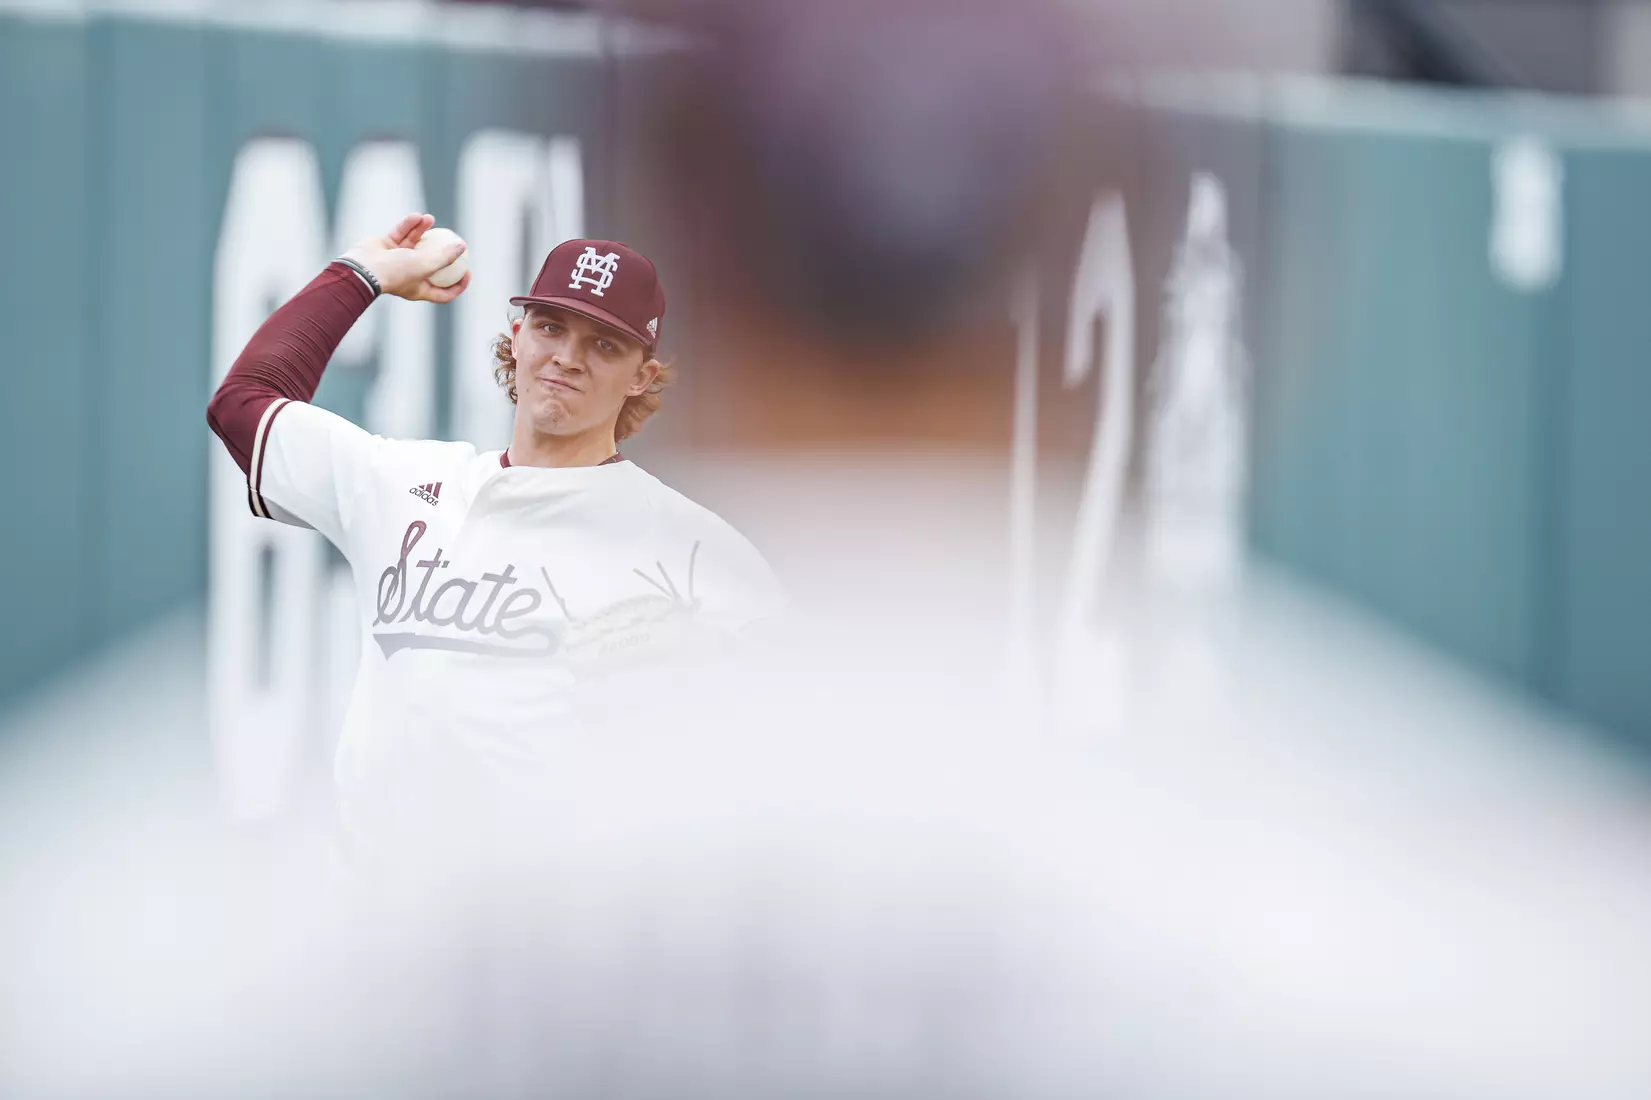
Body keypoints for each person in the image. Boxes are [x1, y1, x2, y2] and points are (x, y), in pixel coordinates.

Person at [207, 213, 783, 865]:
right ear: (516, 336)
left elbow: (792, 759)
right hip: (376, 927)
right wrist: (362, 274)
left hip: (549, 933)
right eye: (550, 326)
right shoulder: (403, 482)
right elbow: (243, 403)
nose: (566, 356)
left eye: (602, 345)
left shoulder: (693, 550)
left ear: (641, 377)